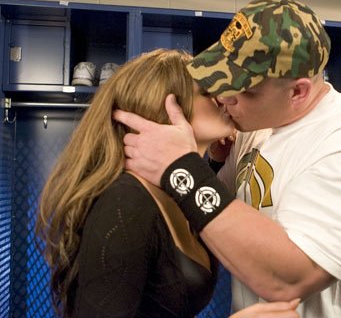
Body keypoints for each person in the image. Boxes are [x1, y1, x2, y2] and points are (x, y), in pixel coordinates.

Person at [113, 0, 341, 317]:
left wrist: (181, 168)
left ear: (298, 91)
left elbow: (288, 278)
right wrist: (209, 160)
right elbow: (217, 213)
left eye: (245, 89)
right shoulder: (257, 128)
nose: (224, 97)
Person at [35, 49, 300, 318]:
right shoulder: (126, 204)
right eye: (208, 94)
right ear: (167, 108)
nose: (223, 99)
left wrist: (214, 164)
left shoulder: (174, 192)